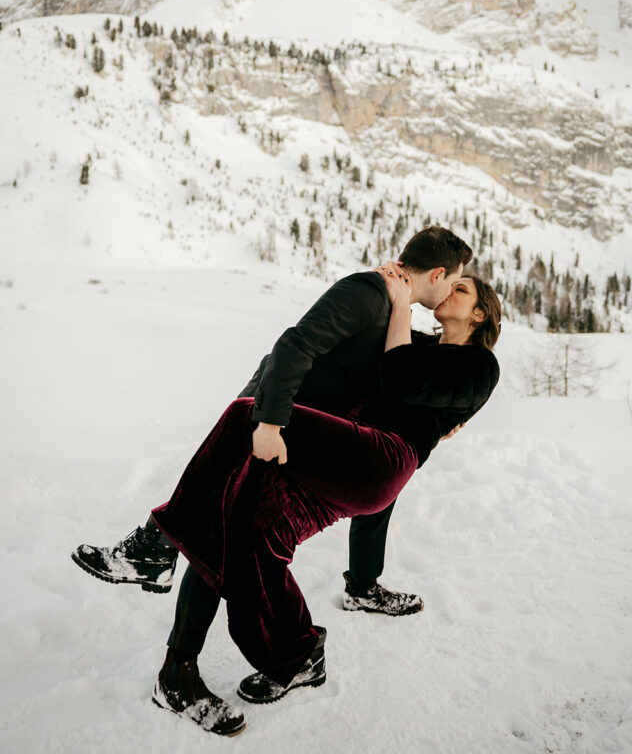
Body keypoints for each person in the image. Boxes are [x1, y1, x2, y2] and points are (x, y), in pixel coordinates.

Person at [147, 268, 501, 735]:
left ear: (479, 313)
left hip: (381, 458)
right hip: (335, 459)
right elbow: (357, 355)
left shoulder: (479, 366)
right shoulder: (418, 343)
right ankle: (288, 657)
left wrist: (399, 303)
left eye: (461, 289)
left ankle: (153, 545)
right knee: (241, 529)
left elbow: (397, 377)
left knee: (246, 419)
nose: (449, 290)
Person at [72, 226, 471, 615]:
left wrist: (444, 414)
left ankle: (160, 583)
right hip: (275, 417)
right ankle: (156, 563)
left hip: (295, 427)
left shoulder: (394, 308)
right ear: (438, 274)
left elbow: (413, 365)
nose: (452, 290)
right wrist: (269, 423)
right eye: (454, 281)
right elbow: (294, 345)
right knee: (218, 515)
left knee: (224, 521)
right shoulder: (367, 291)